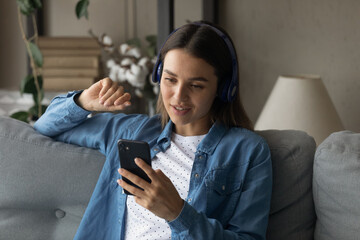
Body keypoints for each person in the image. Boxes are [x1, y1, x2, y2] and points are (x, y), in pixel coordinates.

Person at [34, 21, 272, 240]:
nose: (179, 96)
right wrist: (84, 101)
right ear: (159, 76)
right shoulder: (132, 131)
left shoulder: (248, 151)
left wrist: (177, 214)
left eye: (196, 85)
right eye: (170, 80)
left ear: (223, 88)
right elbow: (45, 126)